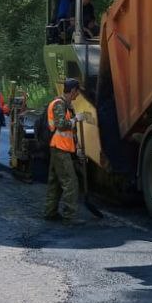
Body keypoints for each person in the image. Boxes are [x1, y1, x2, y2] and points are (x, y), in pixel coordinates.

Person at [43, 77, 87, 224]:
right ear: (72, 91)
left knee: (55, 181)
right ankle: (69, 217)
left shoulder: (67, 106)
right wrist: (76, 120)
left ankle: (50, 212)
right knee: (71, 182)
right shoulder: (59, 104)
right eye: (77, 93)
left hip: (61, 148)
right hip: (59, 148)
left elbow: (71, 133)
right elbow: (61, 125)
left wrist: (78, 148)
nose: (77, 96)